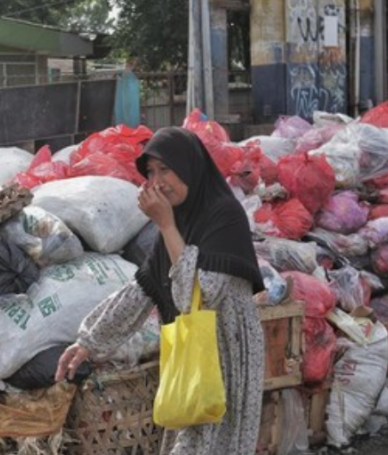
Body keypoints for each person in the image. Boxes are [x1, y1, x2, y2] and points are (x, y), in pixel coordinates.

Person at [55, 127, 266, 454]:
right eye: (151, 172)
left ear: (189, 166)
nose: (158, 181)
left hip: (224, 351)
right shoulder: (178, 221)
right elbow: (142, 289)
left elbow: (200, 293)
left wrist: (166, 226)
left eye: (165, 169)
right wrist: (88, 340)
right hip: (191, 354)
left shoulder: (225, 215)